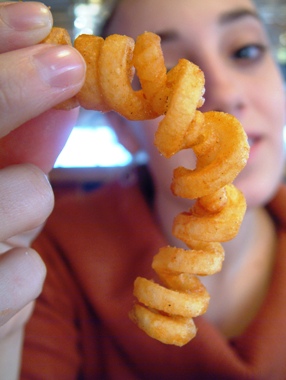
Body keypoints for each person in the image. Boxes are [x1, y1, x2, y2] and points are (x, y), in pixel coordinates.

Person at [0, 0, 285, 378]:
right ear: (123, 129)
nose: (226, 93)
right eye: (166, 75)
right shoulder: (45, 254)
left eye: (244, 51)